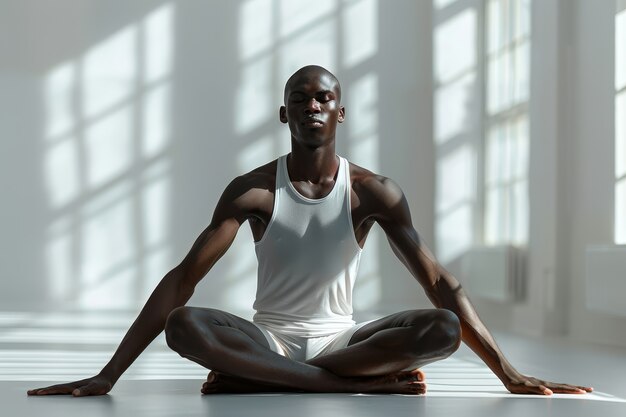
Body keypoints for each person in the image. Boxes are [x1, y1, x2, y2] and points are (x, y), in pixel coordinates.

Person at [28, 65, 592, 397]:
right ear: (285, 115)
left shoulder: (374, 192)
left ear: (340, 113)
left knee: (441, 329)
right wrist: (107, 376)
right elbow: (182, 282)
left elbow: (441, 284)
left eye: (324, 98)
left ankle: (259, 380)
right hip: (269, 337)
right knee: (185, 325)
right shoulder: (254, 191)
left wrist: (509, 375)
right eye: (300, 100)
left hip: (343, 343)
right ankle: (350, 388)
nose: (313, 107)